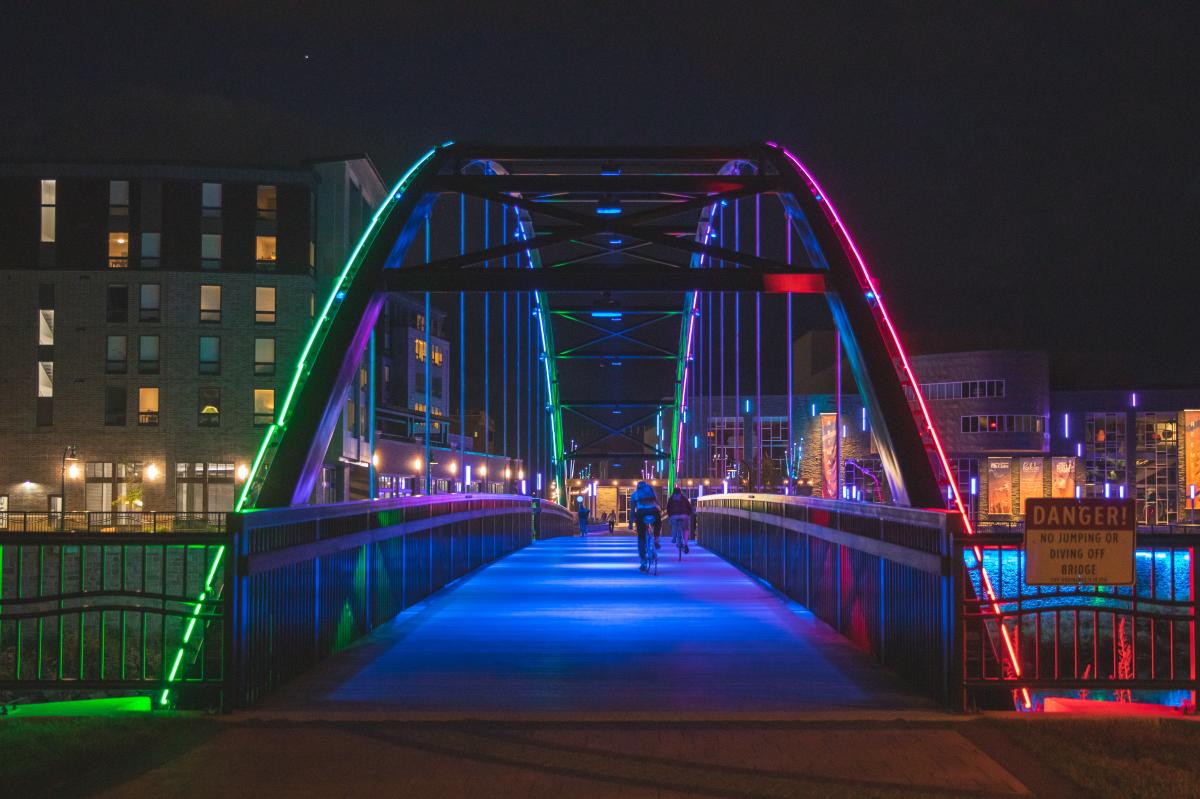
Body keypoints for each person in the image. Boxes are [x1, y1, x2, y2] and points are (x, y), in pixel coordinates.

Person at [631, 480, 661, 571]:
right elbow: (657, 504)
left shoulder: (635, 494)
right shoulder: (651, 492)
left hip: (641, 513)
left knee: (641, 537)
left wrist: (630, 523)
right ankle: (656, 538)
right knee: (658, 523)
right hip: (653, 511)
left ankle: (643, 562)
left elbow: (632, 510)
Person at [666, 487, 692, 554]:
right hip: (684, 515)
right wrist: (688, 514)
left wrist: (670, 515)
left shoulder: (671, 498)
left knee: (673, 525)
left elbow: (668, 508)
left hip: (674, 515)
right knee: (686, 529)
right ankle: (686, 544)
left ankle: (674, 537)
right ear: (680, 492)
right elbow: (689, 507)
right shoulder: (684, 498)